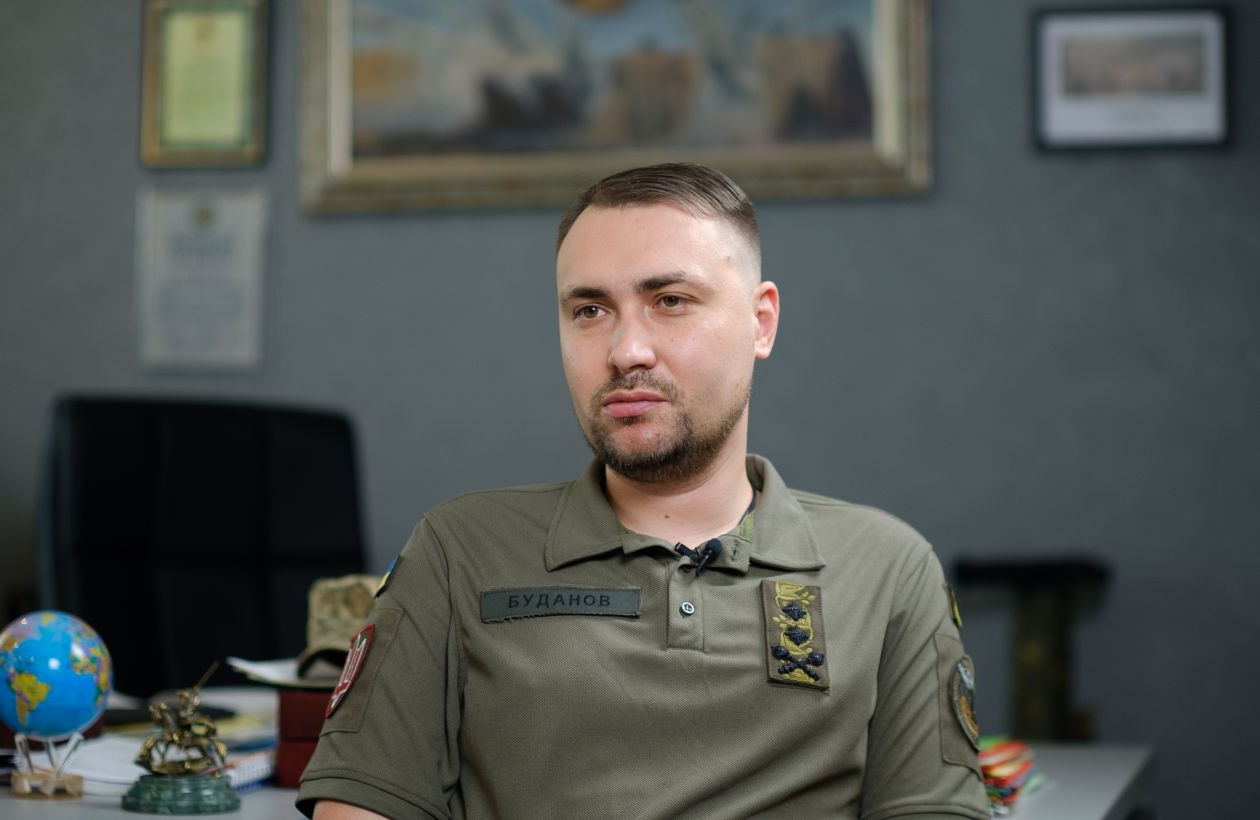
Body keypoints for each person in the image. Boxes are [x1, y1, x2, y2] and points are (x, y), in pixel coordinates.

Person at [298, 163, 989, 820]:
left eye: (670, 301)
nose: (626, 350)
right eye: (590, 310)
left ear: (761, 322)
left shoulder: (886, 569)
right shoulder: (461, 551)